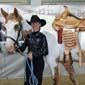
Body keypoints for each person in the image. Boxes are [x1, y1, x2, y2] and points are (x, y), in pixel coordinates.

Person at [16, 15, 48, 85]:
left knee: (37, 81)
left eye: (36, 23)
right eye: (32, 23)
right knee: (28, 80)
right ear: (31, 25)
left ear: (40, 24)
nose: (34, 24)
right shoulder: (28, 36)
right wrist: (16, 47)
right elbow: (22, 48)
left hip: (38, 63)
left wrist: (33, 54)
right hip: (29, 62)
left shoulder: (42, 37)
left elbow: (45, 51)